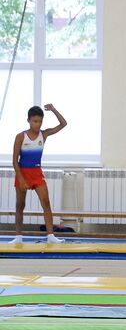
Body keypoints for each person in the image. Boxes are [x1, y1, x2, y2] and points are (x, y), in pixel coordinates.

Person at [11, 103, 67, 244]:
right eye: (35, 121)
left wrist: (54, 109)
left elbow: (63, 124)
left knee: (46, 202)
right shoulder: (20, 137)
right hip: (22, 172)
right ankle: (18, 236)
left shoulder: (44, 134)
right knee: (20, 205)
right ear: (29, 120)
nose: (37, 124)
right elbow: (14, 161)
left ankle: (50, 236)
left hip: (36, 172)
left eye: (40, 121)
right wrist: (21, 178)